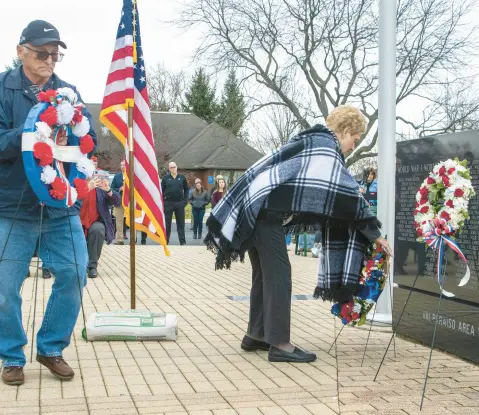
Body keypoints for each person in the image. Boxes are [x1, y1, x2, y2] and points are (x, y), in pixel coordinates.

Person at [204, 105, 392, 363]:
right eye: (355, 140)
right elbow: (347, 194)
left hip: (256, 210)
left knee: (265, 275)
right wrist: (376, 234)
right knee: (280, 275)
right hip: (264, 214)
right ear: (347, 130)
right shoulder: (326, 148)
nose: (353, 146)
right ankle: (280, 344)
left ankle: (257, 334)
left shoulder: (312, 140)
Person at [0, 20, 96, 386]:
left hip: (59, 207)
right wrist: (33, 136)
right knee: (5, 289)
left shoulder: (68, 94)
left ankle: (51, 347)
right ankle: (11, 356)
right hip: (8, 208)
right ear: (21, 51)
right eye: (42, 52)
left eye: (55, 54)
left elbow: (85, 137)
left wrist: (80, 154)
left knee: (75, 272)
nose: (50, 60)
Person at [80, 172, 121, 278]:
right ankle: (74, 266)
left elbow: (117, 202)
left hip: (96, 221)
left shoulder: (100, 187)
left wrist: (108, 190)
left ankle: (92, 266)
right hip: (77, 220)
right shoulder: (76, 183)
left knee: (98, 229)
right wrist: (86, 188)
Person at [161, 162, 189, 245]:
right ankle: (166, 241)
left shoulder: (182, 177)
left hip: (179, 203)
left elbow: (186, 189)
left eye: (174, 167)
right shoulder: (165, 178)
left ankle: (182, 242)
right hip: (168, 203)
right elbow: (161, 191)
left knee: (180, 223)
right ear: (169, 169)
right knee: (167, 224)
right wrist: (163, 202)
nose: (173, 168)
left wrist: (185, 201)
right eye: (171, 167)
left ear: (177, 167)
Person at [111, 160, 127, 245]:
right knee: (119, 220)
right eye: (121, 165)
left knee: (132, 221)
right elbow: (112, 188)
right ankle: (120, 239)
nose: (122, 166)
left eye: (124, 165)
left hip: (130, 202)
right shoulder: (117, 176)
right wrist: (119, 189)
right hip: (119, 201)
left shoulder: (132, 176)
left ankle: (133, 238)